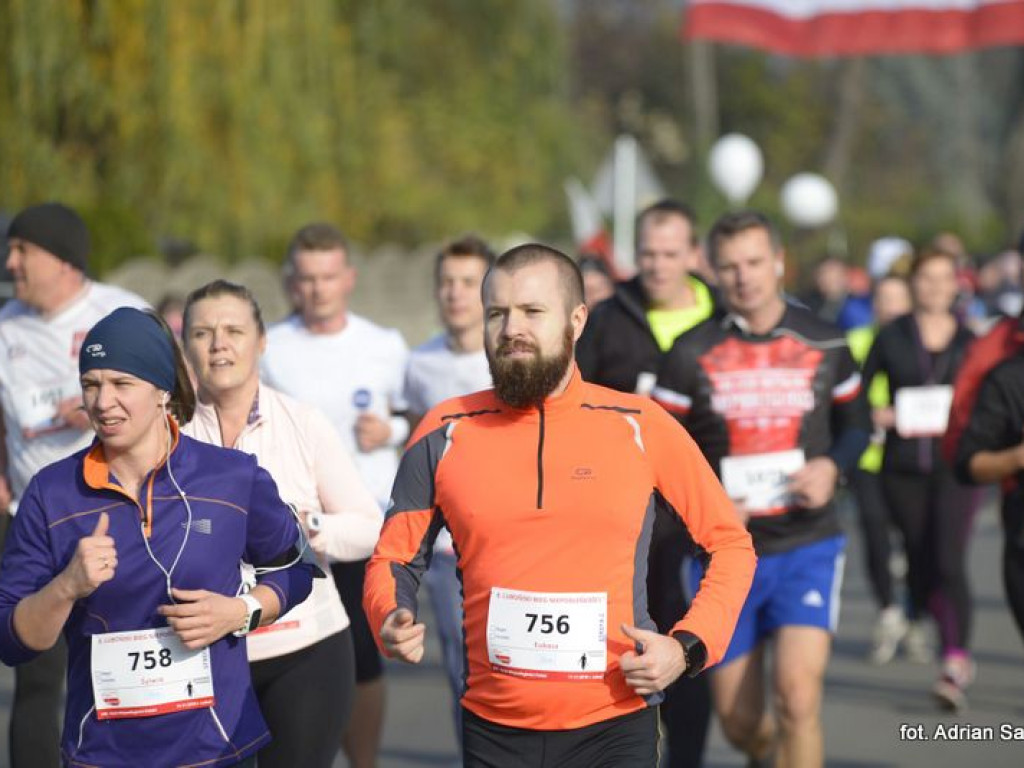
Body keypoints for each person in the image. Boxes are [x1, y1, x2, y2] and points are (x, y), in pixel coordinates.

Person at [365, 243, 756, 767]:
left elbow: (730, 545)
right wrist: (390, 613)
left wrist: (686, 647)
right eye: (497, 313)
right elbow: (394, 556)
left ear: (576, 319)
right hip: (493, 729)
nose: (510, 329)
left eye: (532, 312)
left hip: (614, 725)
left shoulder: (640, 424)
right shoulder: (444, 429)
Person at [0, 306, 316, 768]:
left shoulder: (231, 476)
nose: (103, 401)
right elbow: (11, 640)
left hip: (217, 750)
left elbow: (296, 569)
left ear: (162, 391)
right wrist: (66, 587)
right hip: (103, 755)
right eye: (91, 384)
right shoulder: (52, 493)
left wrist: (239, 612)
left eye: (122, 383)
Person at [653, 211, 870, 767]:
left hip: (807, 543)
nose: (743, 276)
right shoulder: (686, 353)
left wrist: (833, 470)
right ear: (714, 274)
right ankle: (767, 752)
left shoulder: (825, 340)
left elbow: (858, 426)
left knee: (798, 700)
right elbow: (656, 456)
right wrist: (709, 503)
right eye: (729, 267)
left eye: (753, 262)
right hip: (724, 556)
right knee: (740, 723)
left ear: (777, 262)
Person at [180, 280, 382, 768]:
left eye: (233, 330)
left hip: (306, 649)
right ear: (185, 345)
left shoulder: (302, 422)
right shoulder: (169, 432)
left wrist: (312, 529)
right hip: (203, 657)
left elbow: (369, 526)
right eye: (203, 332)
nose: (220, 343)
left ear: (261, 341)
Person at [0, 202, 148, 768]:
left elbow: (172, 401)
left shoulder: (121, 313)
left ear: (62, 260)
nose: (10, 262)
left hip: (116, 511)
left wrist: (99, 410)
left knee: (119, 664)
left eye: (22, 251)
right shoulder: (7, 325)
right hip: (34, 517)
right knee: (34, 673)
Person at [575, 198, 719, 767]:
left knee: (688, 642)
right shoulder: (607, 318)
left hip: (698, 514)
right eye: (648, 253)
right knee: (621, 643)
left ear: (693, 254)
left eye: (670, 253)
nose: (657, 265)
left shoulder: (722, 323)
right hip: (619, 516)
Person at [260, 222, 407, 768]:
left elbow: (417, 416)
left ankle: (363, 762)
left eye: (328, 276)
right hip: (293, 527)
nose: (318, 288)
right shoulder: (270, 347)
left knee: (365, 657)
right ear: (290, 283)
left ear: (348, 279)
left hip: (361, 520)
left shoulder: (384, 345)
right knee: (297, 651)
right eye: (306, 278)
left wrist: (389, 430)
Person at [862, 246, 977, 711]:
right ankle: (926, 612)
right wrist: (878, 414)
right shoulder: (891, 336)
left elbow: (990, 396)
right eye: (924, 279)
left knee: (949, 559)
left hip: (955, 468)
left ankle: (955, 661)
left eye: (942, 278)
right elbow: (855, 396)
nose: (933, 287)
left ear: (956, 284)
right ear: (913, 286)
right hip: (903, 467)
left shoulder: (971, 340)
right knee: (920, 559)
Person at [402, 236, 494, 746]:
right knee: (463, 670)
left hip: (509, 539)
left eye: (468, 283)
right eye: (448, 283)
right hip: (445, 549)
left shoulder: (509, 356)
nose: (456, 293)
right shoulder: (419, 363)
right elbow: (415, 438)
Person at [846, 274, 915, 664]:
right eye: (883, 299)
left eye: (897, 300)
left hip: (910, 460)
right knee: (874, 532)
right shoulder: (857, 341)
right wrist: (870, 415)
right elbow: (844, 398)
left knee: (912, 541)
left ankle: (915, 613)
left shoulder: (920, 343)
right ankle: (888, 610)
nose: (889, 308)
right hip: (868, 458)